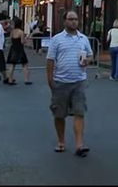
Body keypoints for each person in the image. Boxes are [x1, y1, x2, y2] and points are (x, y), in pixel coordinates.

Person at [46, 10, 93, 157]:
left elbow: (90, 55)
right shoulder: (57, 39)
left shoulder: (83, 39)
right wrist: (50, 80)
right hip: (61, 81)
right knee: (59, 114)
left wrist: (87, 61)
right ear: (65, 21)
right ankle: (61, 141)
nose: (74, 22)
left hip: (79, 81)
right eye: (71, 19)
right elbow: (50, 60)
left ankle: (79, 145)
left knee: (79, 112)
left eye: (76, 19)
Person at [5, 17, 31, 85]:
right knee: (24, 65)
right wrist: (26, 39)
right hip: (20, 49)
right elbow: (22, 42)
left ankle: (10, 80)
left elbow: (10, 39)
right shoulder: (21, 32)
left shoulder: (12, 31)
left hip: (13, 49)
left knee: (12, 65)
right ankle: (26, 80)